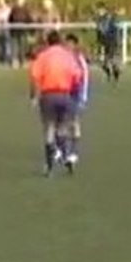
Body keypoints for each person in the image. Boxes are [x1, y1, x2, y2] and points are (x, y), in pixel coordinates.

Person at [29, 30, 84, 176]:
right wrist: (75, 96)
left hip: (48, 95)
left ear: (47, 42)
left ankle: (49, 166)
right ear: (60, 41)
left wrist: (34, 96)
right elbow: (77, 76)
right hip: (65, 95)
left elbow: (35, 76)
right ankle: (66, 155)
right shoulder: (68, 56)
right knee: (63, 128)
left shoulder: (42, 56)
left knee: (49, 129)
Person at [64, 33, 90, 166]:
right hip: (63, 92)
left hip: (75, 93)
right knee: (61, 122)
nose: (68, 46)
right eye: (66, 43)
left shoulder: (79, 59)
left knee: (74, 122)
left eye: (70, 44)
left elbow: (85, 77)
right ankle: (62, 150)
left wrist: (84, 96)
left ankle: (73, 152)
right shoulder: (62, 57)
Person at [94, 2, 122, 84]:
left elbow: (113, 29)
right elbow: (99, 32)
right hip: (105, 43)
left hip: (111, 42)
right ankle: (112, 74)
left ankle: (115, 75)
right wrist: (99, 42)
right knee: (104, 63)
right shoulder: (99, 20)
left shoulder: (109, 18)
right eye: (98, 10)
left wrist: (116, 40)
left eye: (100, 10)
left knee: (109, 60)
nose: (98, 12)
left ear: (103, 9)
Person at [8, 0, 33, 67]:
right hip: (14, 31)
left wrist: (31, 30)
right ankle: (14, 61)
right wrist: (11, 28)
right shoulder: (14, 9)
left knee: (22, 46)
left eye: (21, 1)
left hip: (23, 31)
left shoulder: (26, 10)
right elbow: (10, 19)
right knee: (14, 47)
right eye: (19, 1)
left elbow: (29, 19)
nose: (20, 2)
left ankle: (22, 61)